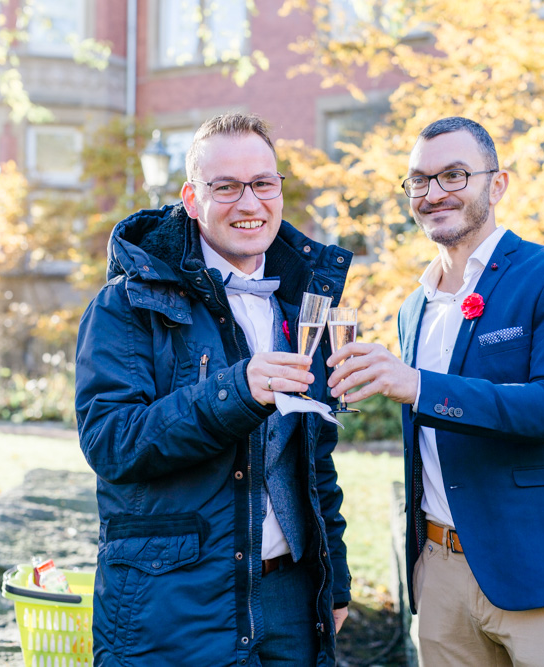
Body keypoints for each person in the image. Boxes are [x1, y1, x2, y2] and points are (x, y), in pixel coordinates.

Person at [327, 117, 544, 666]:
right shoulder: (411, 308)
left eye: (454, 175)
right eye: (419, 180)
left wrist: (418, 385)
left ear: (497, 184)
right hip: (439, 575)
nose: (433, 193)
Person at [75, 111, 353, 666]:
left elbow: (314, 460)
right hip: (176, 604)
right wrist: (236, 391)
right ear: (191, 197)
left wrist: (335, 578)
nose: (249, 203)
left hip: (290, 601)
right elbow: (111, 442)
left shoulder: (303, 306)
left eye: (262, 184)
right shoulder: (126, 304)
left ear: (279, 190)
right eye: (224, 186)